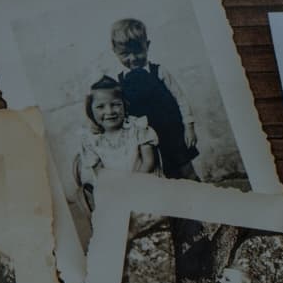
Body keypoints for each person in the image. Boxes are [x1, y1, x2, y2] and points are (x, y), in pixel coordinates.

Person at [110, 19, 199, 180]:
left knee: (187, 172)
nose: (133, 58)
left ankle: (203, 195)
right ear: (115, 52)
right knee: (166, 176)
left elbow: (181, 99)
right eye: (125, 54)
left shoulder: (159, 71)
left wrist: (189, 127)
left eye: (138, 51)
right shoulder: (120, 82)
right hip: (148, 141)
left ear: (147, 45)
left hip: (173, 134)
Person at [74, 75, 160, 212]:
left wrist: (133, 186)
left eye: (115, 104)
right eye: (100, 107)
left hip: (143, 182)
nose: (109, 111)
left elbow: (148, 162)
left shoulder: (138, 128)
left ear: (125, 105)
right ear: (90, 111)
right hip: (114, 190)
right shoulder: (91, 140)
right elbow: (101, 174)